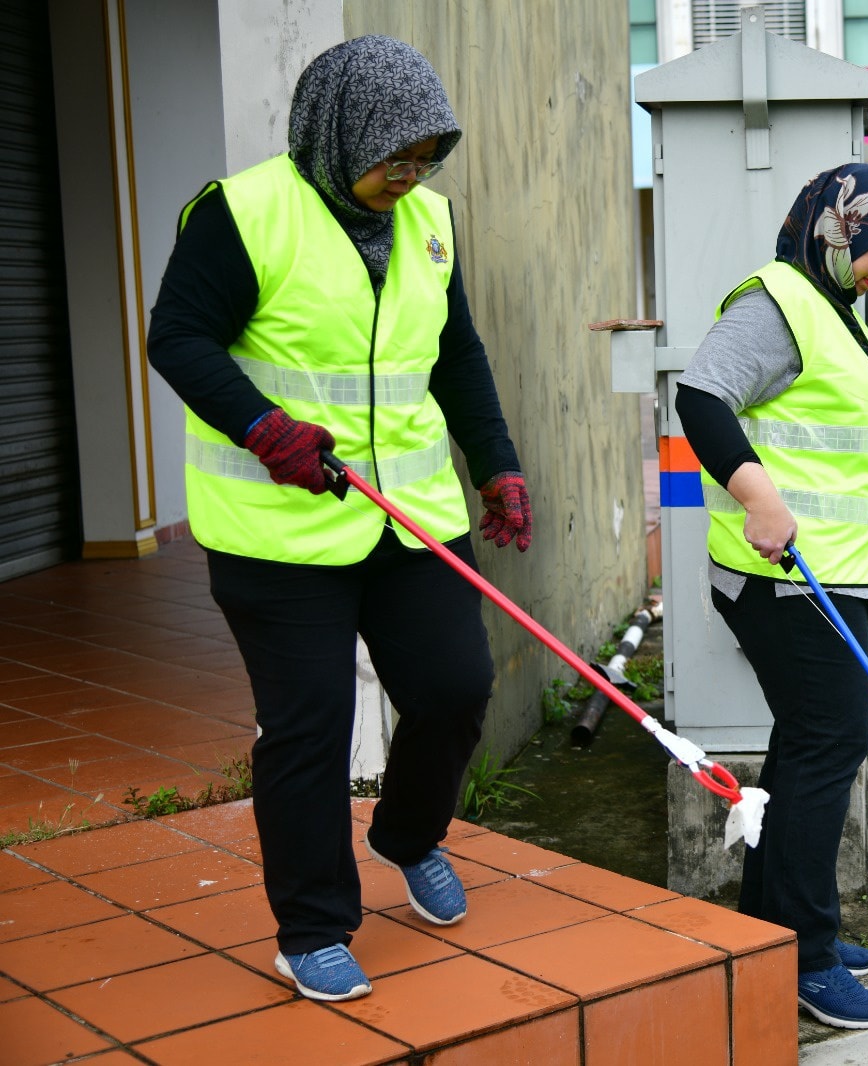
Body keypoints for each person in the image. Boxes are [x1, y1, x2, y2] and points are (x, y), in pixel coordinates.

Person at [147, 35, 531, 1002]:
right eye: (391, 158)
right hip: (279, 533)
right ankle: (312, 925)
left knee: (453, 688)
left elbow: (458, 356)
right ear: (335, 133)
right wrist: (263, 425)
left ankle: (406, 835)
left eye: (425, 160)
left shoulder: (432, 222)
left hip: (407, 519)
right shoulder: (243, 213)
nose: (408, 177)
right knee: (310, 728)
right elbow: (178, 337)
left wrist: (497, 468)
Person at [674, 163, 868, 1030]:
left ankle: (774, 927)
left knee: (806, 746)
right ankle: (805, 955)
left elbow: (860, 466)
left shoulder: (838, 317)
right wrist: (758, 496)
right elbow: (702, 396)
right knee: (831, 741)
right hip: (782, 578)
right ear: (832, 226)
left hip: (841, 578)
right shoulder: (778, 301)